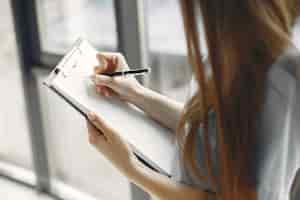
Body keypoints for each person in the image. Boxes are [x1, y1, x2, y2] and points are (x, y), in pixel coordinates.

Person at [86, 1, 300, 200]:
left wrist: (132, 169)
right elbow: (212, 129)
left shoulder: (282, 78)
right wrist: (135, 93)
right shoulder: (224, 50)